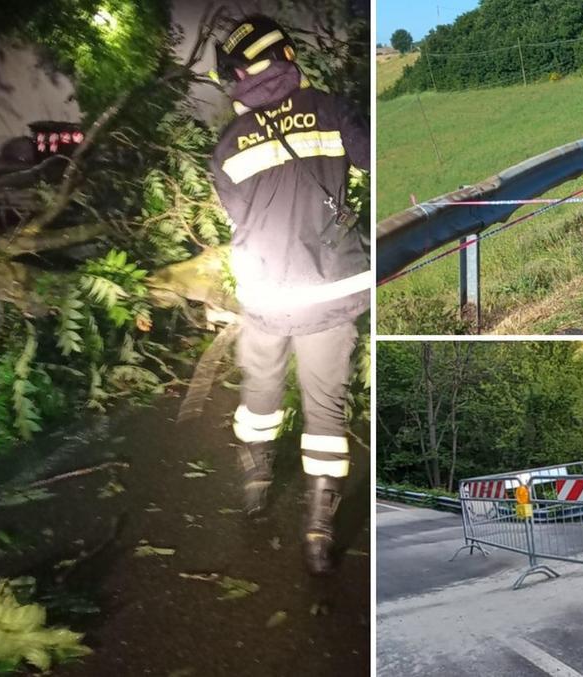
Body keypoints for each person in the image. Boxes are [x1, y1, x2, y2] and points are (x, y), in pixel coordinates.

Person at [208, 15, 370, 575]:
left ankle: (255, 483)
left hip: (267, 298)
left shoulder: (227, 145)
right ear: (287, 58)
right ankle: (319, 535)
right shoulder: (330, 109)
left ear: (234, 77)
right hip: (331, 292)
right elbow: (377, 161)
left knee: (260, 396)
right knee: (325, 411)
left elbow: (236, 215)